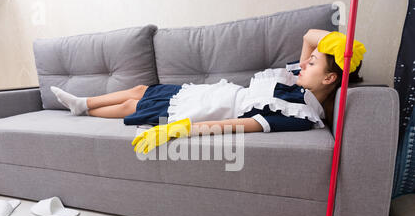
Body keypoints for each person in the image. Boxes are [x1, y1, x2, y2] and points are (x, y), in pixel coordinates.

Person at [50, 29, 366, 154]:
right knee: (141, 88)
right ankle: (83, 102)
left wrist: (178, 130)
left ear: (329, 80)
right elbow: (310, 36)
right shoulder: (298, 78)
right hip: (209, 93)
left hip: (206, 111)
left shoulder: (300, 113)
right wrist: (342, 46)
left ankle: (86, 110)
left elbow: (240, 125)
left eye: (313, 63)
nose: (305, 63)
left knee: (132, 107)